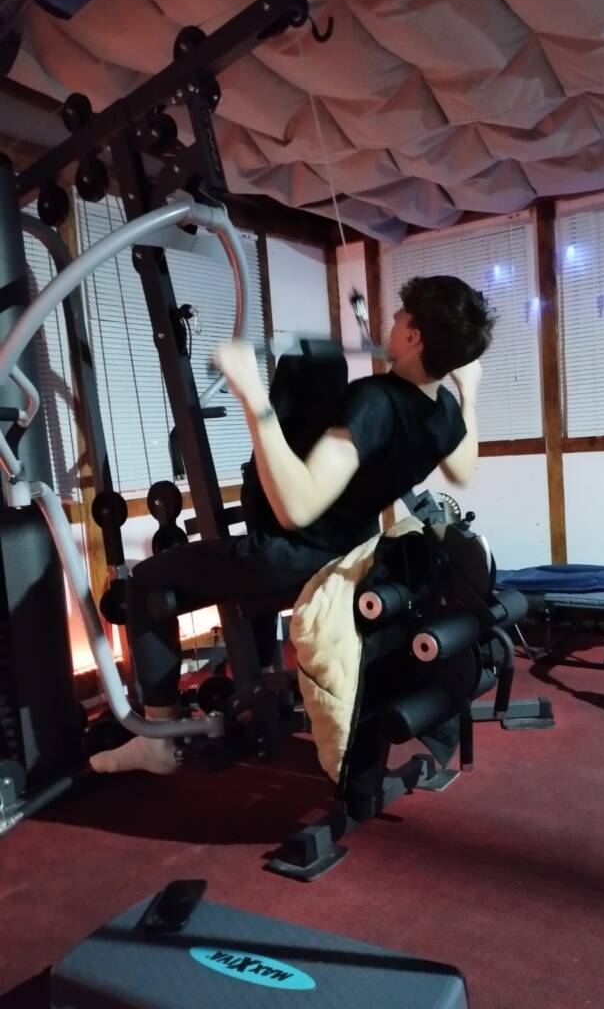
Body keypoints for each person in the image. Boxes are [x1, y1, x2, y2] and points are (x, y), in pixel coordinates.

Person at [89, 274, 495, 775]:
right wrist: (468, 390)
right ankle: (257, 689)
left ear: (413, 336)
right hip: (354, 555)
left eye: (400, 317)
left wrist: (253, 395)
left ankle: (157, 738)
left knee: (146, 581)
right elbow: (464, 468)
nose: (391, 320)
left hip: (295, 557)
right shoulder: (445, 411)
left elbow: (296, 508)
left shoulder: (377, 402)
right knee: (230, 568)